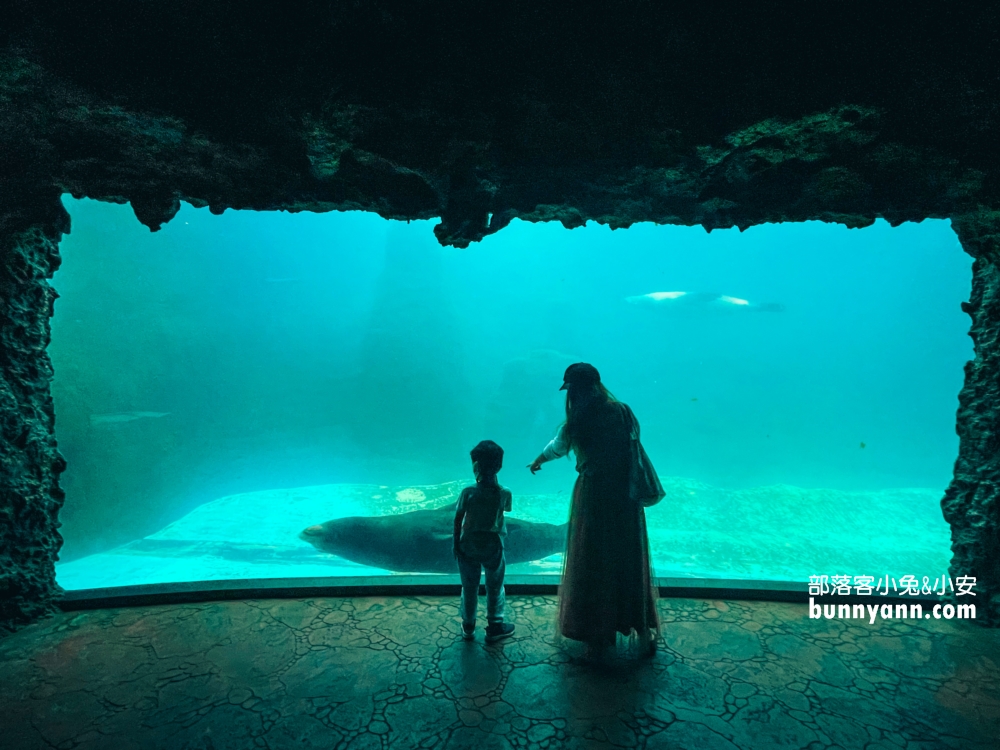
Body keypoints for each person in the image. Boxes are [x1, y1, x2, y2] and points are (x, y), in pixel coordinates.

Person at [529, 363, 659, 658]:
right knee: (626, 554)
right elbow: (633, 443)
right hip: (625, 495)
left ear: (572, 390)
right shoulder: (622, 411)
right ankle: (640, 626)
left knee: (592, 557)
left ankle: (594, 632)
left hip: (592, 495)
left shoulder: (576, 422)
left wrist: (538, 460)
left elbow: (558, 447)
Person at [453, 440, 517, 643]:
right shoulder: (505, 492)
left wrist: (456, 544)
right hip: (493, 545)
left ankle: (468, 625)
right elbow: (506, 510)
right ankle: (495, 626)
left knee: (469, 586)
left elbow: (457, 519)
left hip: (468, 544)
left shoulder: (467, 492)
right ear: (499, 466)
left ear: (475, 466)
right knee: (495, 585)